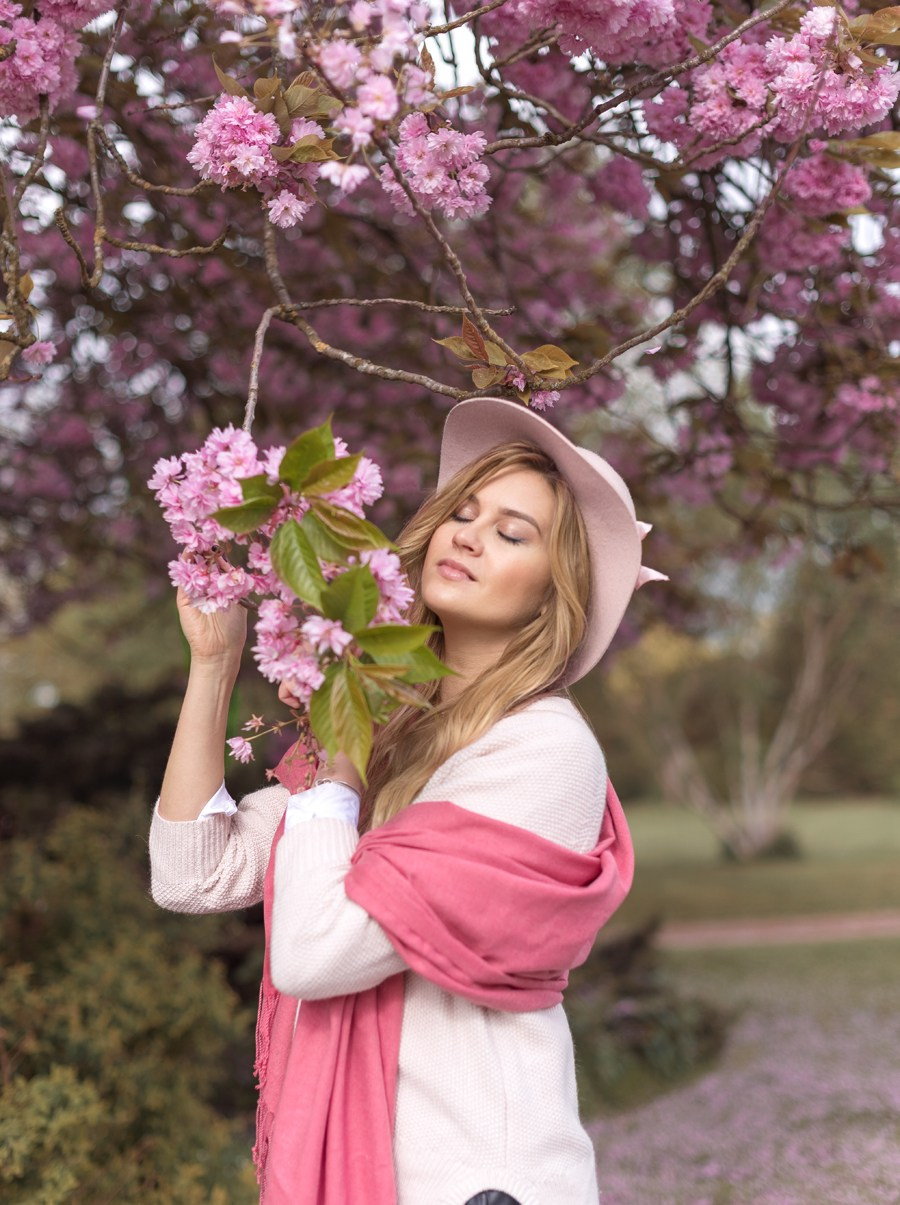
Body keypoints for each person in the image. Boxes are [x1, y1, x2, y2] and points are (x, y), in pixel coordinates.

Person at [149, 395, 663, 1205]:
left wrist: (340, 764)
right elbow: (192, 873)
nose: (469, 533)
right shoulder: (393, 735)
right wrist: (215, 663)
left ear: (551, 592)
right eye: (464, 510)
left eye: (511, 532)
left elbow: (316, 955)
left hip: (478, 1182)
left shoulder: (543, 751)